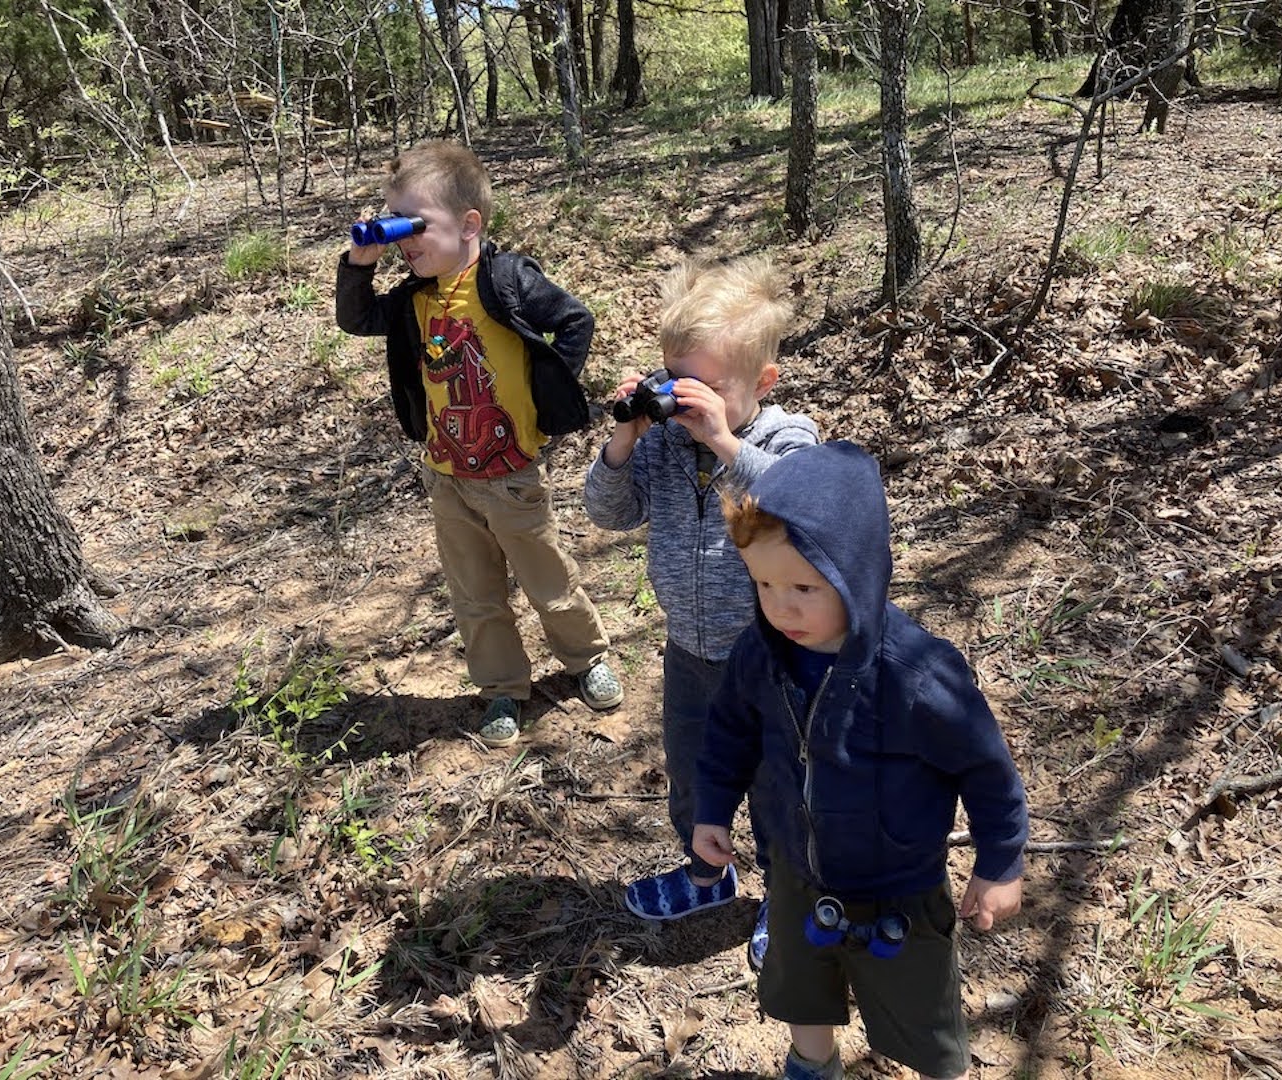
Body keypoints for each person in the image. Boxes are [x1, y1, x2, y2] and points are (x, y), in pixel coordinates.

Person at [692, 440, 1028, 1080]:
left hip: (896, 886)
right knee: (800, 987)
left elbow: (986, 771)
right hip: (796, 870)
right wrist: (712, 810)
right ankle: (813, 1065)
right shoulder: (760, 655)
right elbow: (728, 735)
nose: (781, 606)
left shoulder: (918, 676)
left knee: (920, 1014)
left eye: (804, 586)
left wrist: (1000, 861)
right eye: (763, 583)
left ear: (858, 571)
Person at [335, 140, 622, 748]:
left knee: (548, 579)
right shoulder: (414, 298)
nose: (406, 242)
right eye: (398, 228)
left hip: (512, 471)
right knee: (475, 594)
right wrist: (361, 259)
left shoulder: (505, 278)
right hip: (446, 475)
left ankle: (586, 657)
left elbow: (576, 320)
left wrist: (547, 392)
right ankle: (501, 688)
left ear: (470, 225)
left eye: (417, 226)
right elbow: (356, 320)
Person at [583, 255, 818, 967]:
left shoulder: (782, 438)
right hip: (688, 652)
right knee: (693, 776)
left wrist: (724, 441)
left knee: (781, 789)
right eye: (675, 383)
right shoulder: (661, 444)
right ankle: (706, 873)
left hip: (773, 661)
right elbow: (608, 513)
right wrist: (624, 439)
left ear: (762, 384)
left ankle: (788, 896)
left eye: (708, 390)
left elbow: (799, 507)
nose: (689, 407)